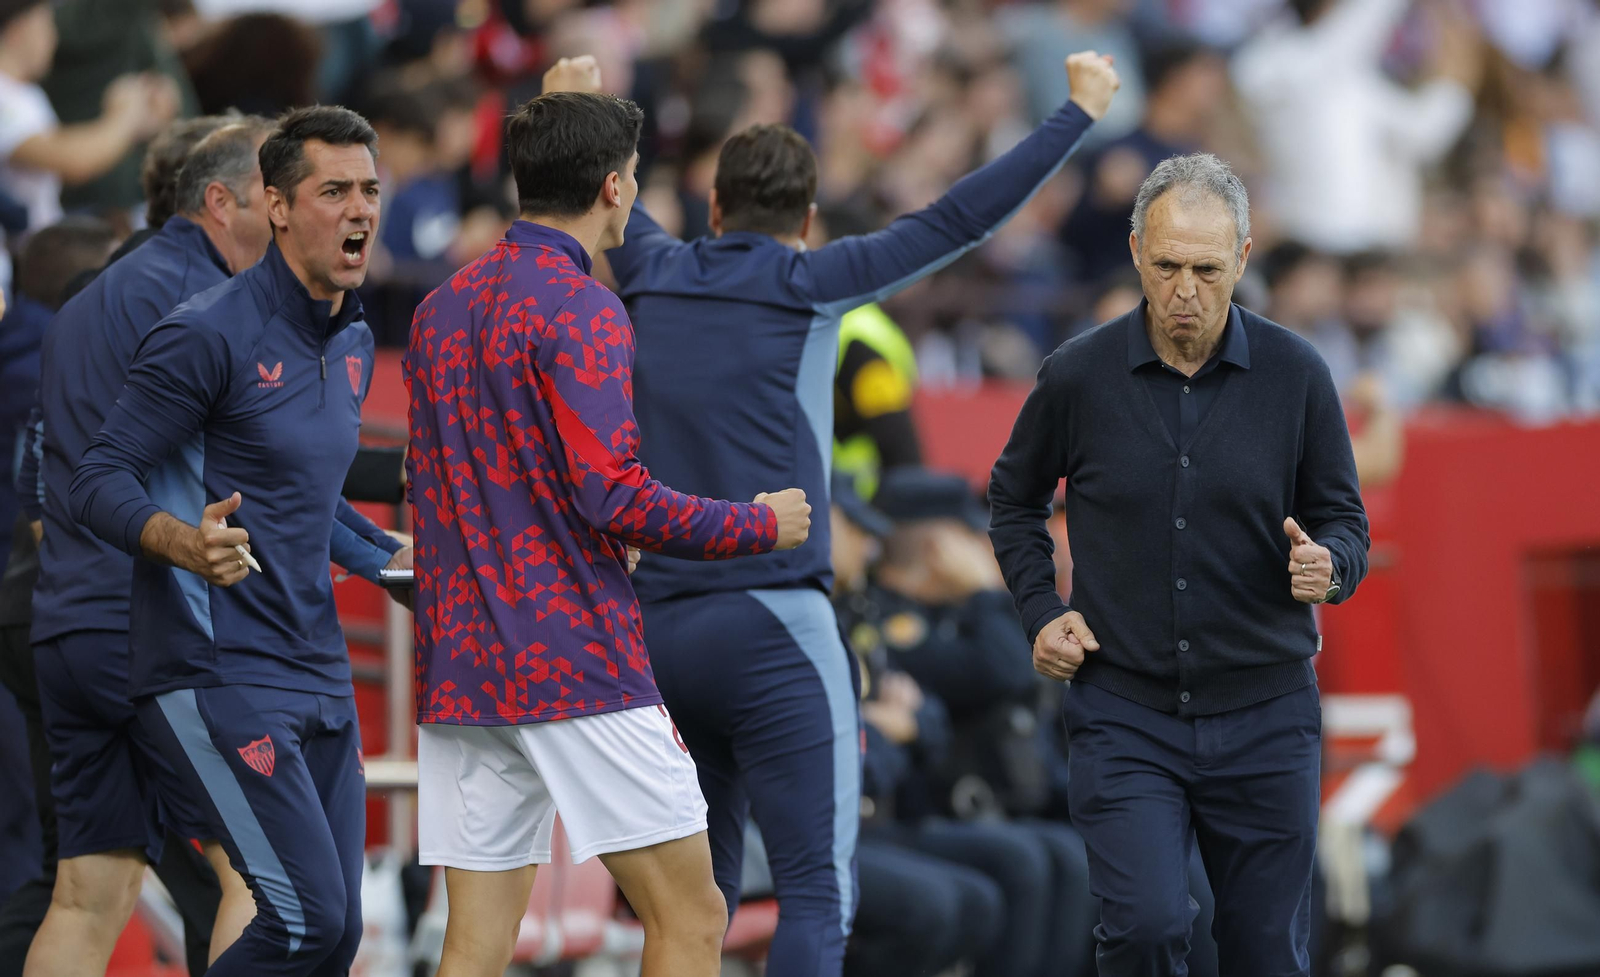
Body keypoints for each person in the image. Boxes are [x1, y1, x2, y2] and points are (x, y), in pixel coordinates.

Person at [590, 49, 1119, 976]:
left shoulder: (650, 265)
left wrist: (574, 97)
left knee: (688, 911)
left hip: (654, 631)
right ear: (804, 223)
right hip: (771, 625)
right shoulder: (811, 282)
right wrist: (1073, 114)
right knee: (814, 896)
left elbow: (593, 188)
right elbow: (961, 216)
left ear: (714, 210)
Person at [402, 67, 812, 977]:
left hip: (461, 662)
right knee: (695, 911)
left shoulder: (438, 311)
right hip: (572, 657)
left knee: (473, 940)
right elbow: (612, 495)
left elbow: (432, 479)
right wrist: (754, 523)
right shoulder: (585, 305)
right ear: (615, 186)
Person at [988, 152, 1370, 974]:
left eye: (1205, 267)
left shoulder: (1297, 373)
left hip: (1268, 709)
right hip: (1124, 710)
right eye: (1166, 266)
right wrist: (1040, 610)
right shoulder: (1077, 375)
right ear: (1134, 253)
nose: (1185, 289)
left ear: (1243, 256)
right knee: (1148, 928)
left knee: (1269, 951)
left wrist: (1329, 566)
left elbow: (1346, 521)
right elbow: (1012, 501)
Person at [69, 105, 411, 977]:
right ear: (277, 204)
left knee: (335, 938)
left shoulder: (356, 339)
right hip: (218, 665)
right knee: (303, 918)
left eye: (369, 189)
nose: (359, 210)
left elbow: (308, 504)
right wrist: (184, 543)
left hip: (319, 666)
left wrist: (392, 562)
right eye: (333, 190)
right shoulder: (205, 329)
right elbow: (97, 478)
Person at [0, 117, 252, 977]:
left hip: (62, 622)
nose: (297, 214)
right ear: (220, 200)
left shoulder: (84, 301)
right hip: (149, 627)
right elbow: (251, 461)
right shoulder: (208, 302)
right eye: (282, 195)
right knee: (265, 873)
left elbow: (39, 467)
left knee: (86, 891)